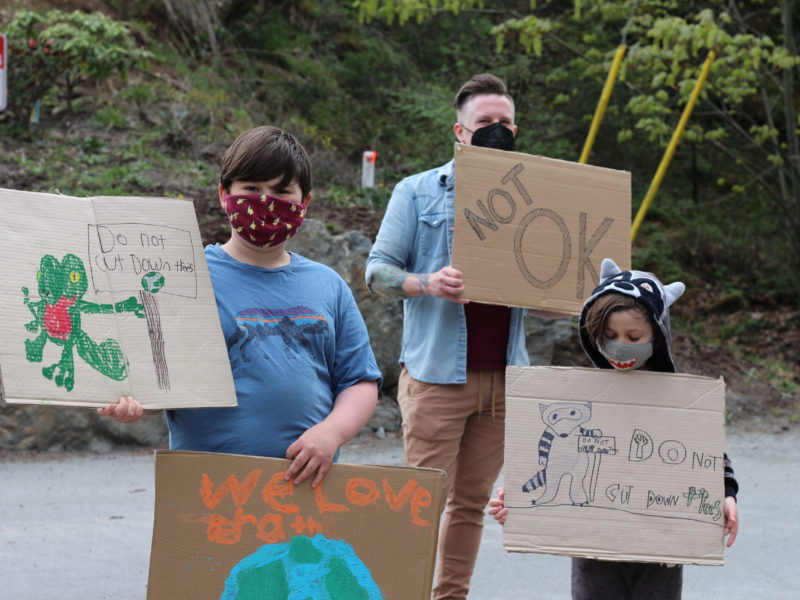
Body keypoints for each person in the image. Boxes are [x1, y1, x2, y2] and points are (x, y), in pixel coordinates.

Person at [100, 125, 381, 488]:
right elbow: (164, 378)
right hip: (207, 488)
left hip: (308, 486)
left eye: (282, 191)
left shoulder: (329, 285)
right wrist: (135, 403)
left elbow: (358, 380)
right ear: (223, 194)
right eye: (252, 189)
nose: (266, 201)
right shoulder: (185, 278)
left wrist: (332, 433)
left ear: (305, 203)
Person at [365, 72, 547, 600]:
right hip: (436, 377)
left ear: (517, 130)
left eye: (505, 123)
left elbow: (549, 293)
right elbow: (376, 273)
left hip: (505, 379)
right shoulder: (417, 190)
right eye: (484, 122)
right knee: (420, 507)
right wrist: (428, 283)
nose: (496, 130)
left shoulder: (539, 197)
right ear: (459, 132)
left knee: (469, 507)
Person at [488, 258, 740, 600]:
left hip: (661, 551)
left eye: (633, 336)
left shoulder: (680, 400)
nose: (620, 344)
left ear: (658, 333)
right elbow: (544, 459)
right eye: (609, 336)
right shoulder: (576, 396)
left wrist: (726, 493)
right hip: (595, 552)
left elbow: (706, 453)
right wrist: (517, 500)